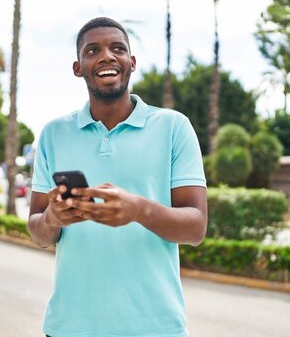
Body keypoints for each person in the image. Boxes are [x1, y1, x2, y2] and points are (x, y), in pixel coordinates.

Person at [28, 17, 208, 337]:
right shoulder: (53, 134)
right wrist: (53, 218)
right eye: (92, 50)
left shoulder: (174, 127)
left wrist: (139, 209)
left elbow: (195, 227)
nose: (107, 56)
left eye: (118, 48)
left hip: (156, 328)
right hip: (69, 328)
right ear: (78, 67)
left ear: (131, 63)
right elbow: (38, 233)